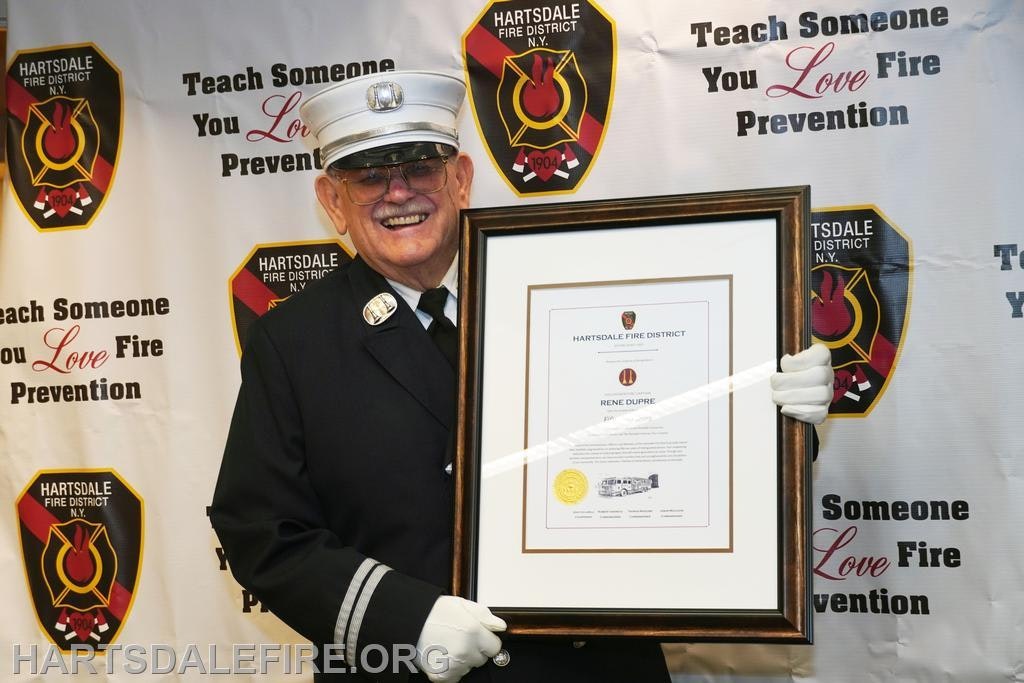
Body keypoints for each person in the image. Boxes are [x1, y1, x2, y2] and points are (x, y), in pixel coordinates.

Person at [210, 70, 833, 682]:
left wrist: (769, 415)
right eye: (369, 177)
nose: (398, 194)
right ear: (331, 202)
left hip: (590, 669)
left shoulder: (577, 291)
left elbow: (670, 442)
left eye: (420, 168)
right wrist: (402, 619)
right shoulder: (294, 341)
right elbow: (261, 532)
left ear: (459, 180)